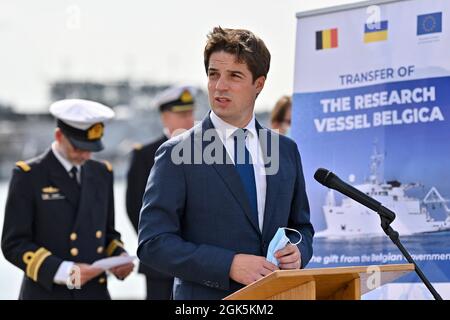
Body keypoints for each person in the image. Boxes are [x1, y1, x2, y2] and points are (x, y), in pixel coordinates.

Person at [137, 27, 314, 300]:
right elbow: (153, 244)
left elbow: (301, 227)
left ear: (259, 84)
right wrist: (228, 264)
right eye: (213, 74)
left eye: (234, 76)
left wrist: (298, 252)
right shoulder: (176, 153)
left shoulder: (285, 150)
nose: (220, 86)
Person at [1, 99, 134, 300]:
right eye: (78, 147)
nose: (85, 154)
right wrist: (65, 272)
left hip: (94, 293)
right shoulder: (29, 175)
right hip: (48, 294)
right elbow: (14, 243)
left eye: (91, 148)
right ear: (58, 136)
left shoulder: (102, 173)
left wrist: (119, 257)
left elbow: (107, 233)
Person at [126, 85, 195, 299]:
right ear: (165, 117)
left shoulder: (206, 152)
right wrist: (162, 245)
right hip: (160, 264)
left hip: (199, 262)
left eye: (190, 113)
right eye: (181, 114)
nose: (188, 119)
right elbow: (134, 207)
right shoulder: (145, 155)